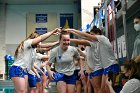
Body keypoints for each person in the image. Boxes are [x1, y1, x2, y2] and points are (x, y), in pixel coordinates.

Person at [64, 26, 120, 93]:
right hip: (105, 67)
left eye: (92, 35)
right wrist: (66, 40)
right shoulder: (94, 44)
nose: (90, 36)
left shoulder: (102, 38)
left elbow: (85, 36)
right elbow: (82, 40)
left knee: (106, 89)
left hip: (111, 66)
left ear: (98, 33)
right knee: (101, 90)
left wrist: (72, 30)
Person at [9, 28, 60, 93]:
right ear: (34, 39)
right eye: (38, 41)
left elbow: (47, 46)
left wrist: (58, 42)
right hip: (17, 68)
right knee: (21, 91)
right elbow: (41, 38)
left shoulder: (33, 50)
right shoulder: (27, 42)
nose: (40, 43)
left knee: (24, 91)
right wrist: (52, 32)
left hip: (24, 70)